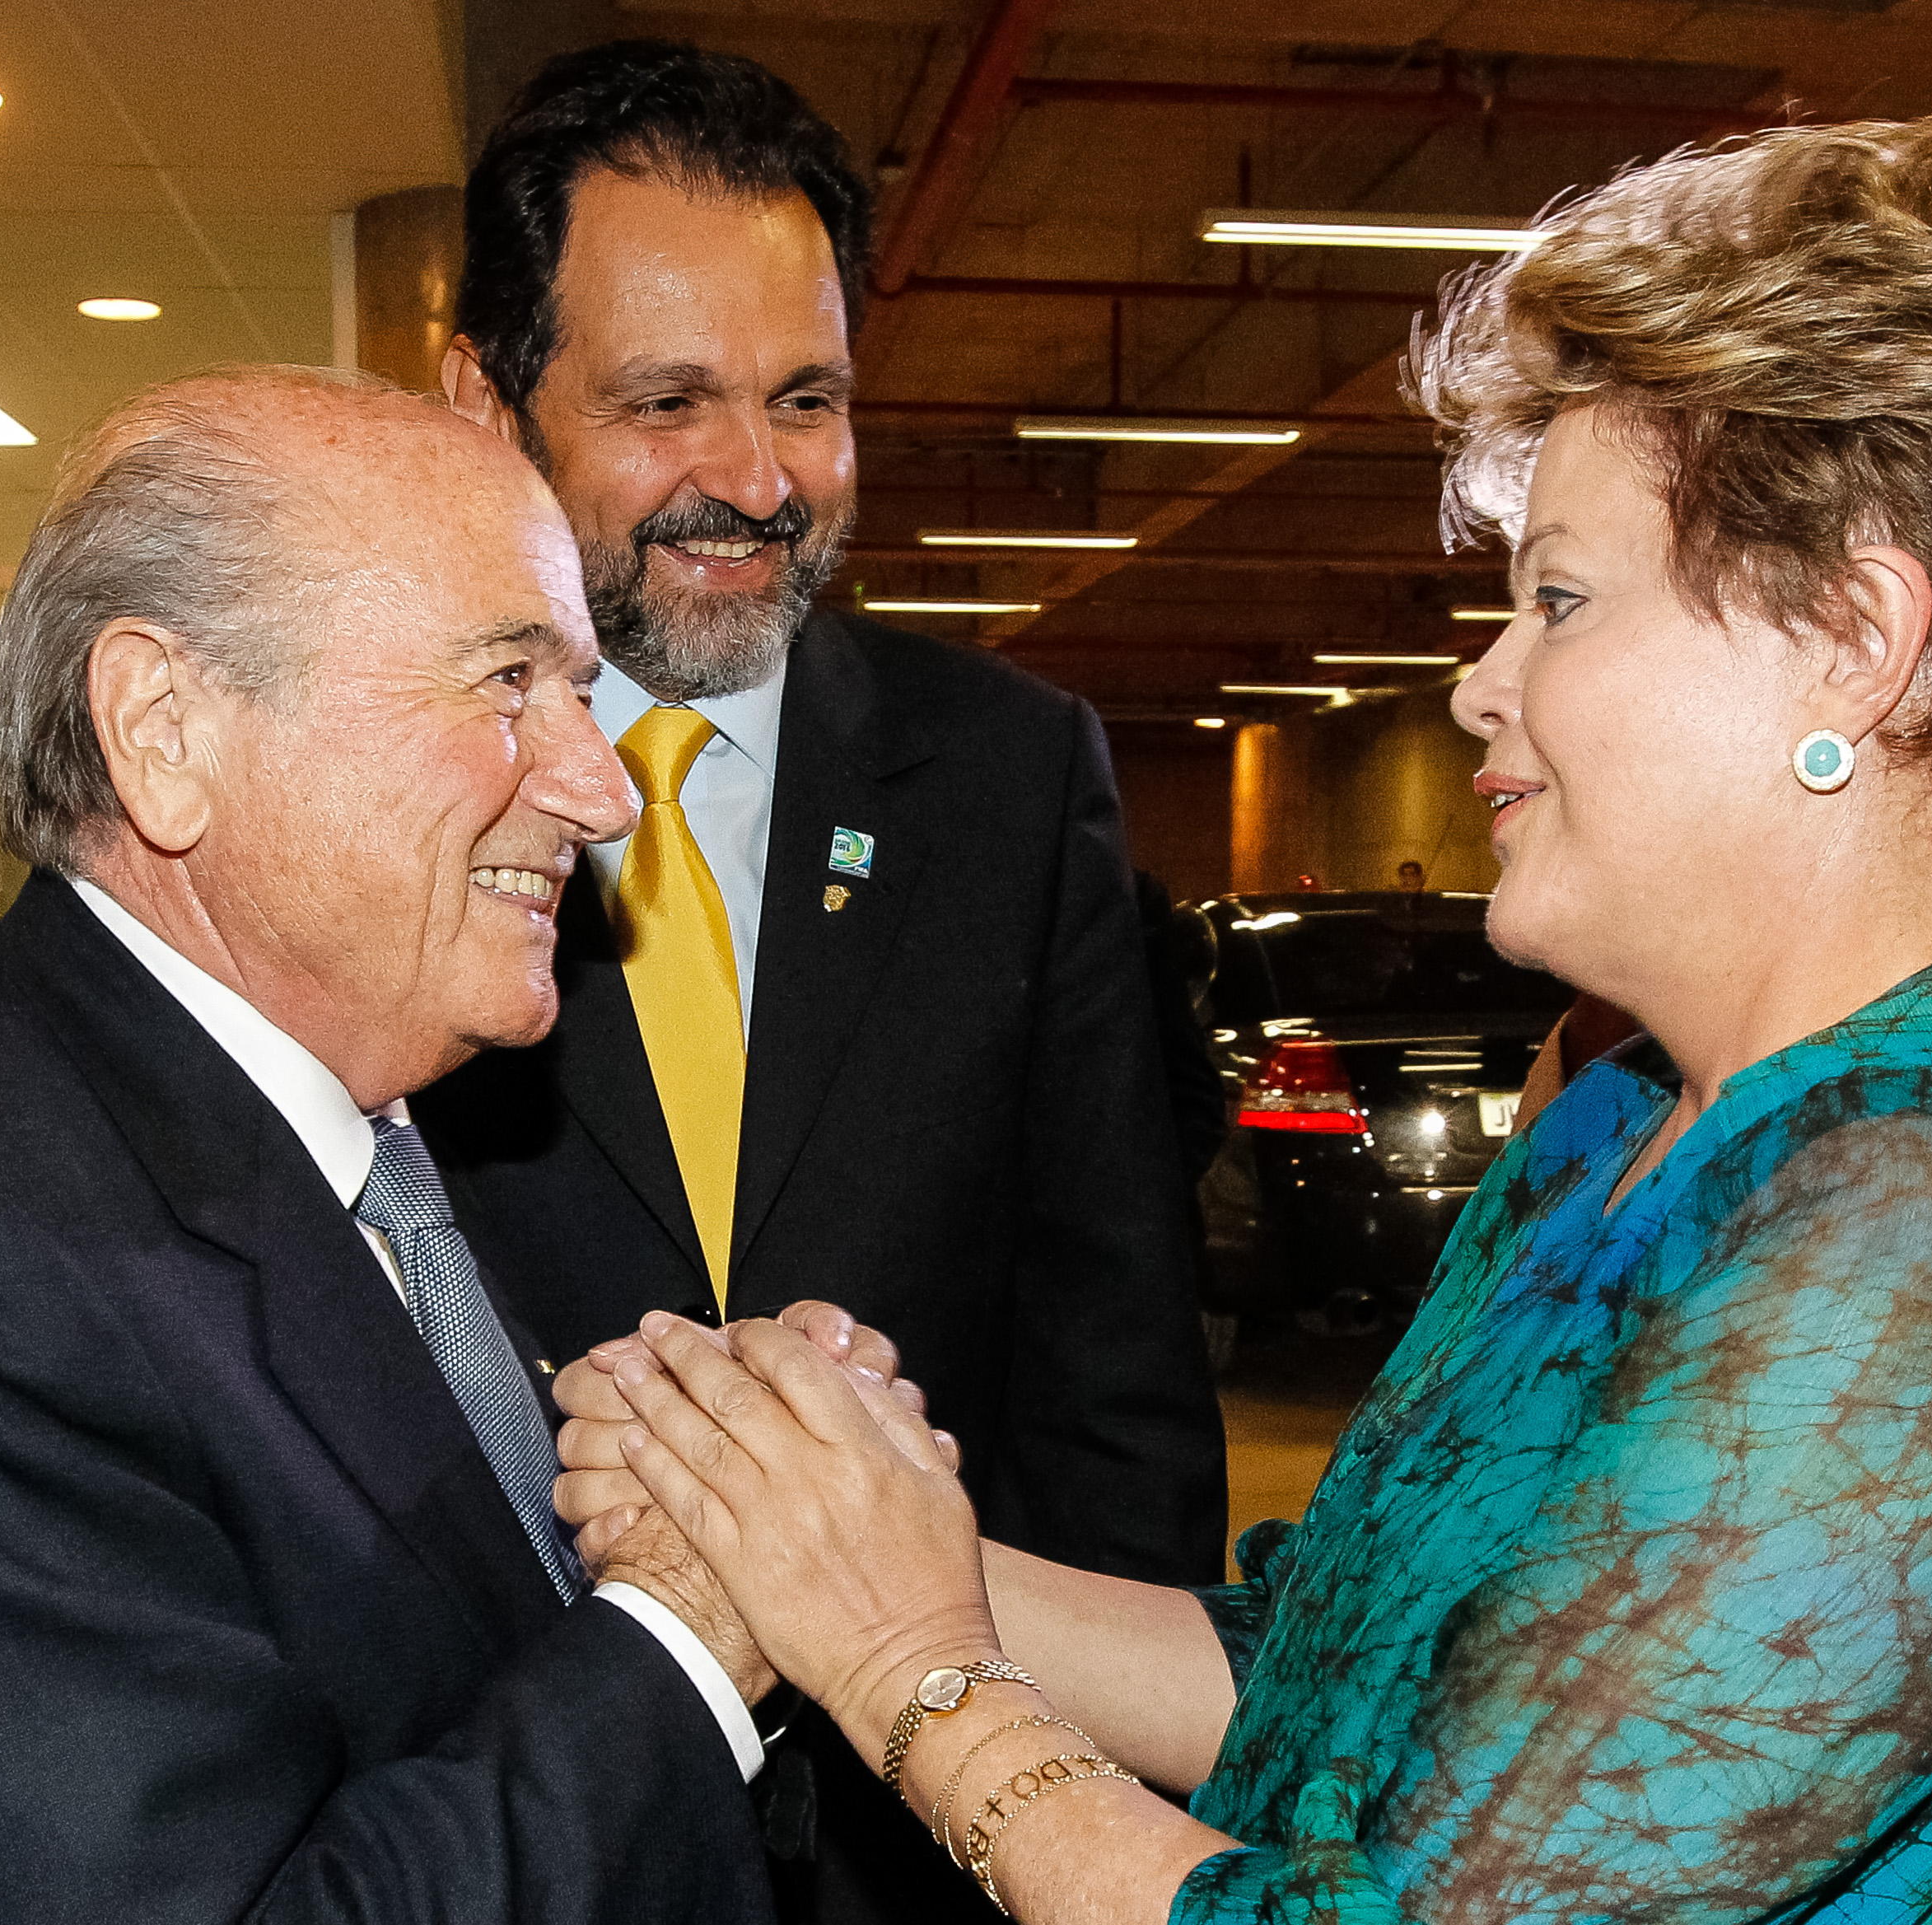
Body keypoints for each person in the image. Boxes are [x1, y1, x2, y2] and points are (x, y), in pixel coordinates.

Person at [555, 116, 1932, 1923]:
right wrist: (807, 1522)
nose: (1481, 681)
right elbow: (1322, 1671)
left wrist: (902, 1659)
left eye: (1560, 600)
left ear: (1856, 642)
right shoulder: (1622, 1120)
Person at [0, 367, 795, 1922]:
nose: (601, 788)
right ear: (164, 729)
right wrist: (693, 1623)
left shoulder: (390, 1121)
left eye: (578, 689)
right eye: (510, 682)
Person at [417, 42, 1226, 1923]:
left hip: (933, 1831)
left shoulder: (1011, 776)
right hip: (515, 1805)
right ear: (485, 402)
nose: (756, 479)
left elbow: (1110, 1347)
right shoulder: (390, 790)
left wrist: (1082, 1802)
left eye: (807, 399)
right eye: (665, 403)